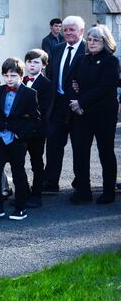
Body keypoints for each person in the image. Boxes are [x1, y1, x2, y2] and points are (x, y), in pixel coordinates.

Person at [0, 58, 41, 221]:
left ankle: (20, 207)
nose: (9, 79)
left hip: (16, 139)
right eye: (6, 75)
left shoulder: (30, 93)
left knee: (18, 172)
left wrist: (20, 134)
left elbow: (35, 119)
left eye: (13, 75)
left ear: (21, 75)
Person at [69, 24, 120, 204]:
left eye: (96, 40)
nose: (91, 43)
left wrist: (81, 102)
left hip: (103, 113)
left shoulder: (111, 61)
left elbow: (105, 88)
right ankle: (83, 191)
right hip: (82, 113)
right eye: (89, 39)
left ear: (105, 42)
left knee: (105, 152)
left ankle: (108, 192)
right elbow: (73, 82)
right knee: (80, 152)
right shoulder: (82, 59)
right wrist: (77, 103)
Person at [42, 15, 86, 194]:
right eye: (65, 29)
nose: (68, 32)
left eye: (72, 29)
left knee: (79, 147)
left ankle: (80, 183)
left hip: (78, 107)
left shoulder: (87, 50)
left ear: (81, 31)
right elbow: (51, 76)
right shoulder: (58, 48)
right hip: (58, 105)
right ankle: (51, 182)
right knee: (53, 145)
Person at [22, 49, 52, 208]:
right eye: (29, 61)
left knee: (36, 162)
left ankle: (36, 194)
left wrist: (28, 119)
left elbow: (44, 109)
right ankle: (23, 191)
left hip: (37, 130)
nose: (32, 65)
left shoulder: (46, 84)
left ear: (43, 65)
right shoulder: (20, 79)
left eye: (36, 62)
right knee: (18, 161)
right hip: (20, 130)